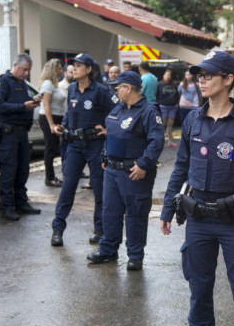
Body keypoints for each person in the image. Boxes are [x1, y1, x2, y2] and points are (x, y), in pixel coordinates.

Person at [159, 51, 234, 326]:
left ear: (228, 79)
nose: (200, 80)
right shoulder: (192, 120)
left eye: (208, 75)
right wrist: (167, 208)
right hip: (198, 219)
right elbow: (180, 168)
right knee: (199, 293)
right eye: (199, 75)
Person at [86, 71, 165, 270]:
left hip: (134, 172)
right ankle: (108, 250)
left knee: (135, 214)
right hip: (112, 172)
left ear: (127, 88)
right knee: (110, 212)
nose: (115, 91)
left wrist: (144, 164)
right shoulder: (118, 109)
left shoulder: (148, 111)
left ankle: (135, 255)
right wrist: (105, 156)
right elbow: (110, 135)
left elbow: (156, 142)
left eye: (118, 87)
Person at [51, 53, 117, 246]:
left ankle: (99, 229)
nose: (74, 68)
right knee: (67, 188)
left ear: (89, 70)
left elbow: (117, 112)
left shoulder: (100, 91)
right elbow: (70, 113)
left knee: (99, 188)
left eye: (79, 66)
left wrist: (108, 129)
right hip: (74, 146)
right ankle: (57, 229)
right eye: (73, 65)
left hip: (95, 145)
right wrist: (63, 125)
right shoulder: (71, 88)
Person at [0, 53, 43, 221]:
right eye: (24, 70)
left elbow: (23, 102)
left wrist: (33, 100)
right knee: (9, 170)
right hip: (9, 133)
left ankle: (21, 203)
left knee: (23, 170)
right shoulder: (3, 82)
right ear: (15, 65)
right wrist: (22, 106)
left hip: (22, 132)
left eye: (28, 70)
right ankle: (7, 207)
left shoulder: (22, 83)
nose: (26, 73)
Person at [37, 58, 66, 188]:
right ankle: (49, 178)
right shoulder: (48, 84)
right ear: (53, 70)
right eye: (59, 68)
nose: (61, 70)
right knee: (50, 148)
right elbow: (46, 104)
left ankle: (52, 176)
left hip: (57, 117)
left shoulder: (55, 84)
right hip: (49, 118)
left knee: (54, 148)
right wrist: (51, 124)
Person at [156, 69, 180, 147]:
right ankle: (160, 141)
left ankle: (170, 141)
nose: (168, 77)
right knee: (162, 124)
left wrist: (177, 104)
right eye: (166, 75)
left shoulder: (173, 84)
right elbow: (156, 95)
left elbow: (177, 95)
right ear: (163, 75)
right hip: (163, 107)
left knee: (170, 124)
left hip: (172, 107)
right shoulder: (159, 84)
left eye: (169, 75)